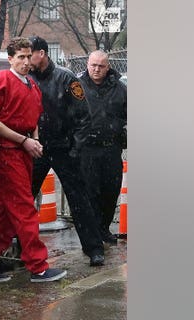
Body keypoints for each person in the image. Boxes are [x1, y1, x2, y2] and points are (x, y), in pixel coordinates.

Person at [0, 37, 67, 283]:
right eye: (20, 58)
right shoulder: (0, 80)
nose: (26, 62)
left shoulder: (31, 85)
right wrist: (24, 140)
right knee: (24, 207)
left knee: (7, 209)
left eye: (28, 57)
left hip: (23, 150)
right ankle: (38, 266)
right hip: (5, 149)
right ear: (10, 59)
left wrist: (33, 140)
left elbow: (34, 116)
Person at [28, 36, 105, 266]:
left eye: (29, 54)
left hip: (64, 148)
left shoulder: (65, 78)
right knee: (24, 199)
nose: (26, 60)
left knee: (79, 200)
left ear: (41, 53)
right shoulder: (26, 78)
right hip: (37, 147)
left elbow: (83, 117)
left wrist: (75, 148)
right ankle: (22, 248)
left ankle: (94, 248)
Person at [78, 50, 127, 245]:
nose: (96, 69)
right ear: (87, 65)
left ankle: (104, 229)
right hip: (86, 149)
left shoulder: (120, 89)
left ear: (108, 67)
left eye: (101, 66)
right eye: (93, 65)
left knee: (110, 191)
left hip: (111, 148)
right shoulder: (76, 87)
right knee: (90, 193)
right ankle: (92, 235)